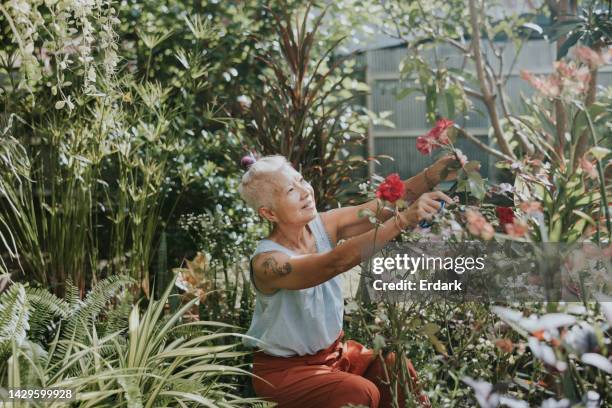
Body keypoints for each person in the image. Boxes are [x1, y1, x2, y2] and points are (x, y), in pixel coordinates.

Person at [238, 154, 457, 408]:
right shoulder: (268, 263)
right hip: (285, 373)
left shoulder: (323, 226)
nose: (304, 191)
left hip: (335, 356)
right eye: (290, 190)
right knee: (359, 394)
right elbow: (333, 262)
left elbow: (380, 208)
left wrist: (433, 175)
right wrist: (404, 220)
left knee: (397, 369)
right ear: (268, 212)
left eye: (301, 181)